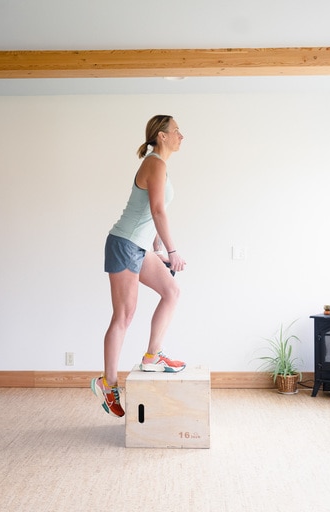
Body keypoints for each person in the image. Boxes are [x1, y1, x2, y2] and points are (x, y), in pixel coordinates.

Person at [91, 115, 187, 418]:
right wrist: (173, 250)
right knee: (124, 315)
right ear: (161, 135)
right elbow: (157, 209)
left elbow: (154, 210)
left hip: (139, 246)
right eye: (176, 131)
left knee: (171, 291)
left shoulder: (161, 166)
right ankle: (109, 384)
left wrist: (157, 248)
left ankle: (152, 355)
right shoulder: (155, 163)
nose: (181, 136)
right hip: (123, 243)